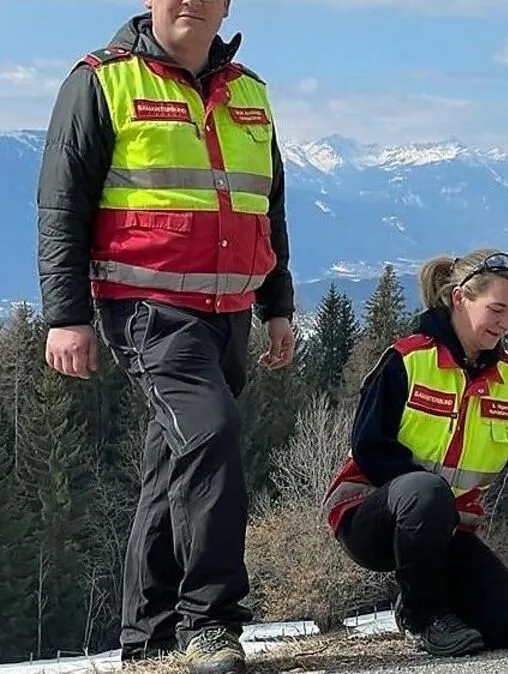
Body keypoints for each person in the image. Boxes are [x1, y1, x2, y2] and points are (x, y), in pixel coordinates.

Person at [35, 2, 294, 672]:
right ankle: (210, 621)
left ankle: (146, 641)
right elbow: (62, 204)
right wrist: (66, 316)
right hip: (148, 309)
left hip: (231, 309)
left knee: (176, 462)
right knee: (211, 431)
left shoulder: (250, 91)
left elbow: (267, 204)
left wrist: (278, 305)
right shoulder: (101, 80)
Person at [321, 249, 508, 658]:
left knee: (505, 622)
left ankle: (420, 596)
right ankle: (423, 617)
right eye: (497, 309)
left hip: (446, 528)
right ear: (459, 298)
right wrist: (438, 502)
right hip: (368, 514)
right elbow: (369, 448)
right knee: (425, 492)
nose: (506, 323)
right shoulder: (406, 361)